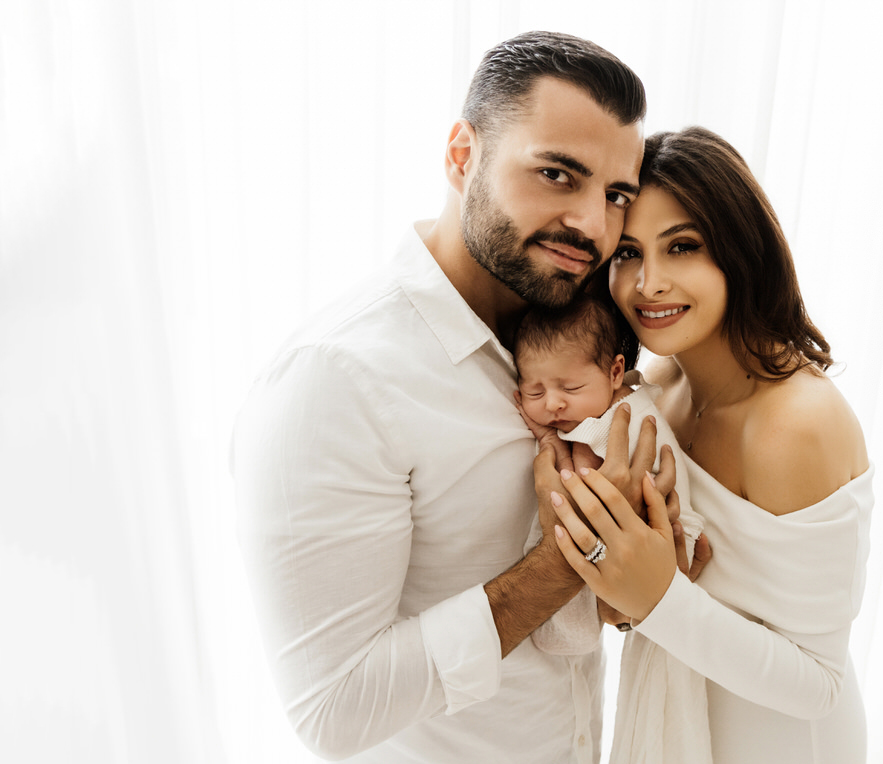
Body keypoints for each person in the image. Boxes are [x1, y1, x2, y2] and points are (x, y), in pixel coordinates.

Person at [230, 32, 699, 763]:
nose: (592, 224)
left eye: (615, 196)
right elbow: (332, 711)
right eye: (556, 173)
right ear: (461, 155)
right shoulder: (335, 381)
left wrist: (642, 569)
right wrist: (570, 554)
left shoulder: (585, 339)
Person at [548, 126, 874, 764]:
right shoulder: (656, 390)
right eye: (628, 254)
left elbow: (819, 686)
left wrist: (656, 597)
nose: (649, 283)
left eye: (683, 246)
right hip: (678, 723)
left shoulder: (794, 426)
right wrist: (625, 597)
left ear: (739, 250)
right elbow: (655, 582)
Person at [512, 295, 705, 653]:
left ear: (615, 373)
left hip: (673, 540)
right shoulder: (599, 403)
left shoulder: (621, 415)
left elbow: (577, 472)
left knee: (570, 609)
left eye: (570, 388)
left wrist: (547, 437)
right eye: (534, 391)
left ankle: (573, 633)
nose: (553, 403)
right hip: (649, 543)